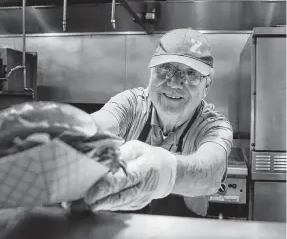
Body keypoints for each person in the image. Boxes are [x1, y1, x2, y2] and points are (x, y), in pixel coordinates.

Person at [83, 28, 233, 218]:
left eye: (191, 74)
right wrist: (67, 136)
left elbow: (211, 171)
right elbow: (97, 125)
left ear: (207, 86)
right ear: (151, 74)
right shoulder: (132, 104)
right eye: (165, 69)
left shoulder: (214, 127)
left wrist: (165, 172)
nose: (174, 83)